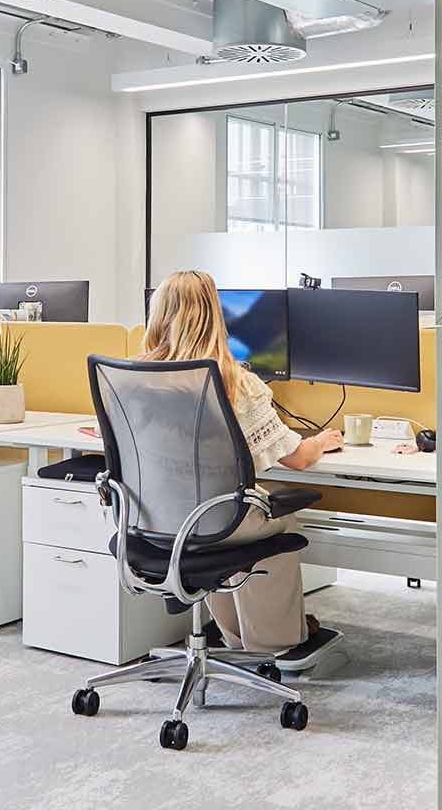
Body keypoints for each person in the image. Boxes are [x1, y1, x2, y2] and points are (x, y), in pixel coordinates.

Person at [135, 270, 341, 669]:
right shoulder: (236, 383)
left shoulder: (136, 379)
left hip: (157, 519)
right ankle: (274, 643)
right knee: (281, 522)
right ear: (215, 316)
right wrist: (320, 441)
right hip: (216, 520)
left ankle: (234, 636)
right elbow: (296, 459)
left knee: (217, 525)